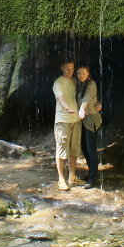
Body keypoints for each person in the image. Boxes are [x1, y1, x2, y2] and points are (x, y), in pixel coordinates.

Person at [52, 59, 81, 191]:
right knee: (62, 149)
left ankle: (72, 177)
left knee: (74, 149)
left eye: (73, 69)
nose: (71, 71)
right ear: (62, 68)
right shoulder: (58, 83)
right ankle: (61, 179)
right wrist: (67, 108)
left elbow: (83, 95)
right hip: (63, 121)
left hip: (76, 120)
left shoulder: (75, 81)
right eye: (68, 69)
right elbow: (60, 98)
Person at [76, 64, 104, 189]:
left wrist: (82, 109)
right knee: (84, 147)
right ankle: (91, 172)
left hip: (91, 119)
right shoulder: (78, 84)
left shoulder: (91, 83)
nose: (80, 75)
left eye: (83, 73)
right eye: (78, 73)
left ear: (88, 73)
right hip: (82, 120)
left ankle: (93, 178)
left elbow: (87, 98)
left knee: (91, 148)